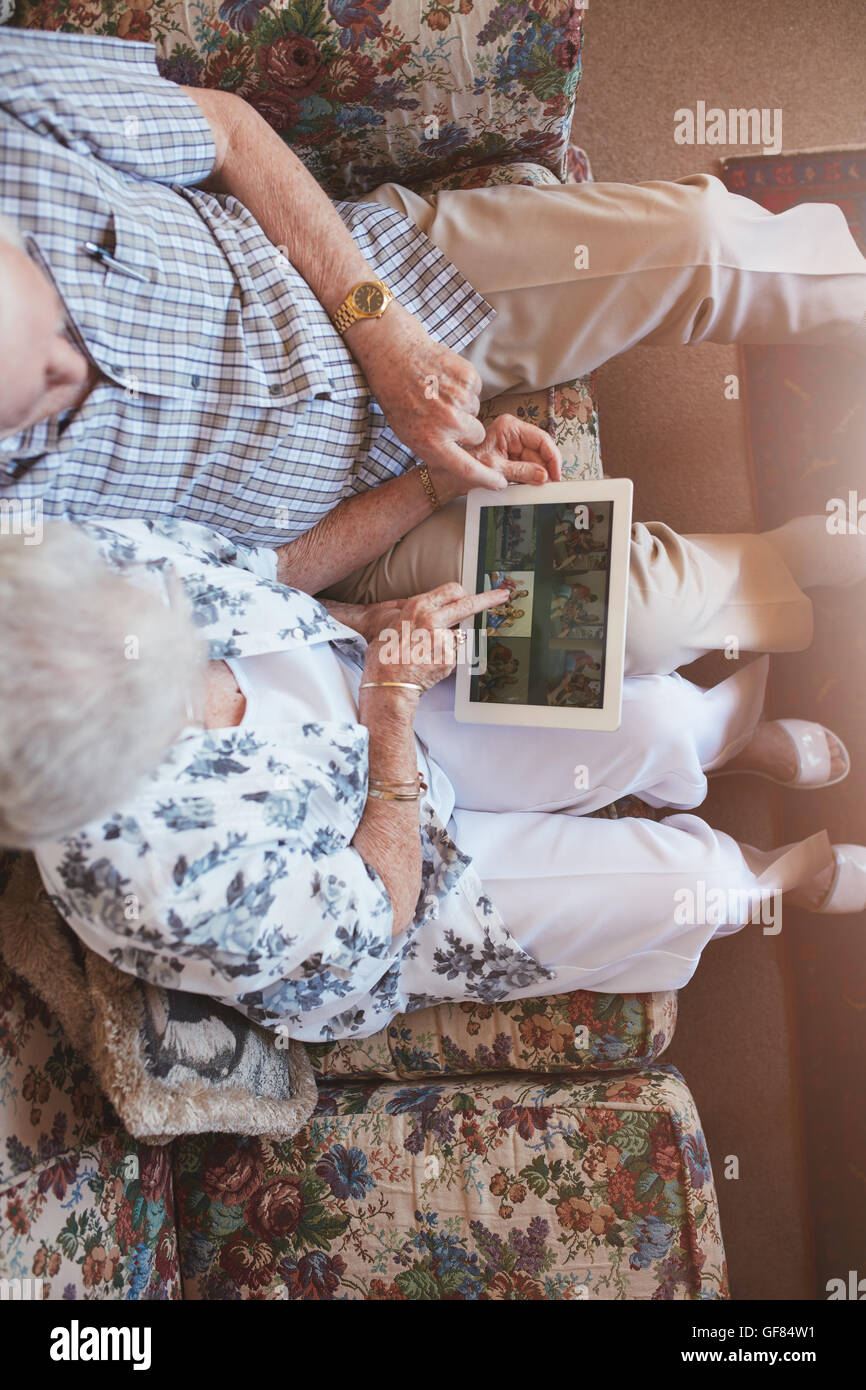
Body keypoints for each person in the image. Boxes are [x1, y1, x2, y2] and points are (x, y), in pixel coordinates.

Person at [1, 28, 865, 575]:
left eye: (59, 316)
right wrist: (430, 484)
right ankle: (787, 572)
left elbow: (228, 128)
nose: (80, 365)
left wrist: (384, 336)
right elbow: (240, 589)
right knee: (621, 621)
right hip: (360, 527)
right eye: (45, 390)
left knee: (702, 241)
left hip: (393, 285)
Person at [2, 513, 862, 1046]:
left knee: (662, 719)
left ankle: (714, 745)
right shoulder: (142, 878)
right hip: (402, 879)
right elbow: (380, 906)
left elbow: (262, 580)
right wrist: (391, 713)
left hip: (370, 680)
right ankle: (766, 874)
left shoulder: (60, 570)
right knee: (687, 885)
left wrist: (400, 548)